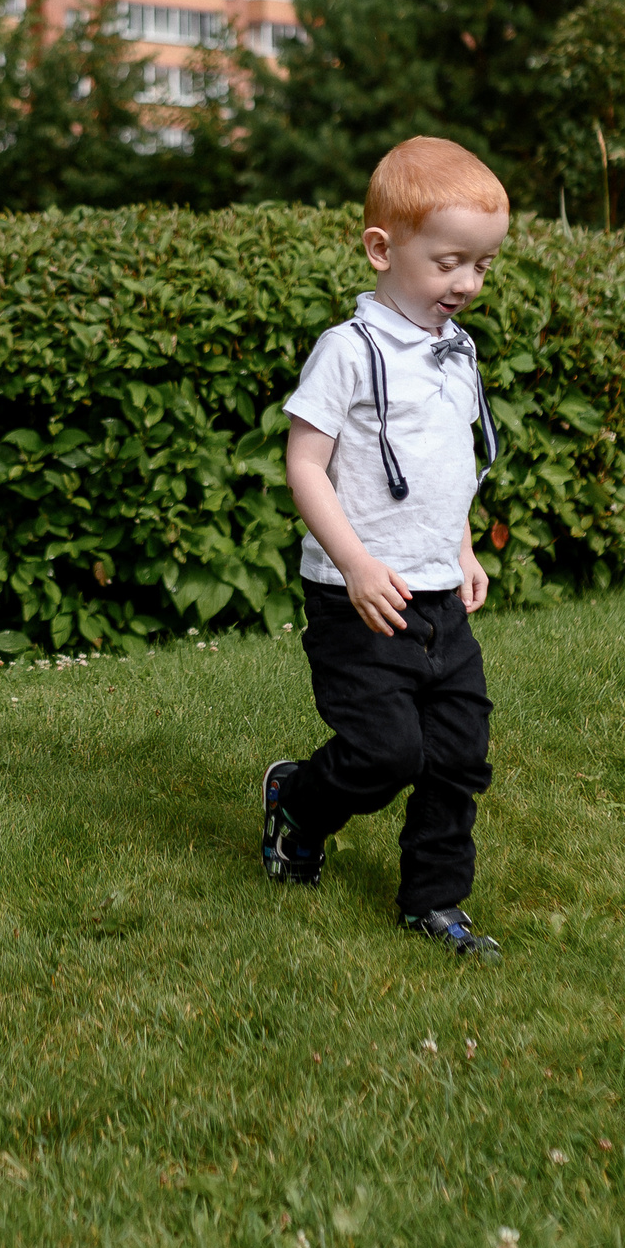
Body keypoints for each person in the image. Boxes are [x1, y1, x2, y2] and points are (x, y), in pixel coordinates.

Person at [261, 136, 510, 959]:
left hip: (439, 592)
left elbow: (449, 469)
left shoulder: (457, 354)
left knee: (456, 754)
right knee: (383, 753)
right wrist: (359, 564)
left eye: (480, 266)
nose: (468, 284)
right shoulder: (350, 352)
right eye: (450, 263)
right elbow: (305, 465)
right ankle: (299, 803)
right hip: (356, 594)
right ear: (383, 248)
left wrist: (463, 549)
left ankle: (434, 901)